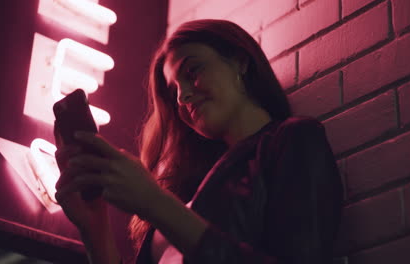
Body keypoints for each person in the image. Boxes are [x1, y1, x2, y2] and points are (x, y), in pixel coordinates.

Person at [54, 19, 344, 264]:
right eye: (173, 91)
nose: (182, 97)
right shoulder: (188, 190)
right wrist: (95, 228)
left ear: (240, 62)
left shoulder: (292, 139)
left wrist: (155, 203)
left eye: (192, 72)